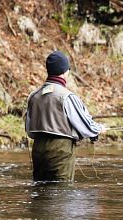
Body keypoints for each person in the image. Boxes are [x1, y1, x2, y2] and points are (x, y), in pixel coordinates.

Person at [25, 50, 106, 182]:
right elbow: (84, 124)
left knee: (40, 193)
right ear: (64, 71)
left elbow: (29, 130)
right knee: (62, 193)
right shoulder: (67, 97)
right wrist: (98, 129)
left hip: (38, 150)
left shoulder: (34, 96)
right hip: (60, 151)